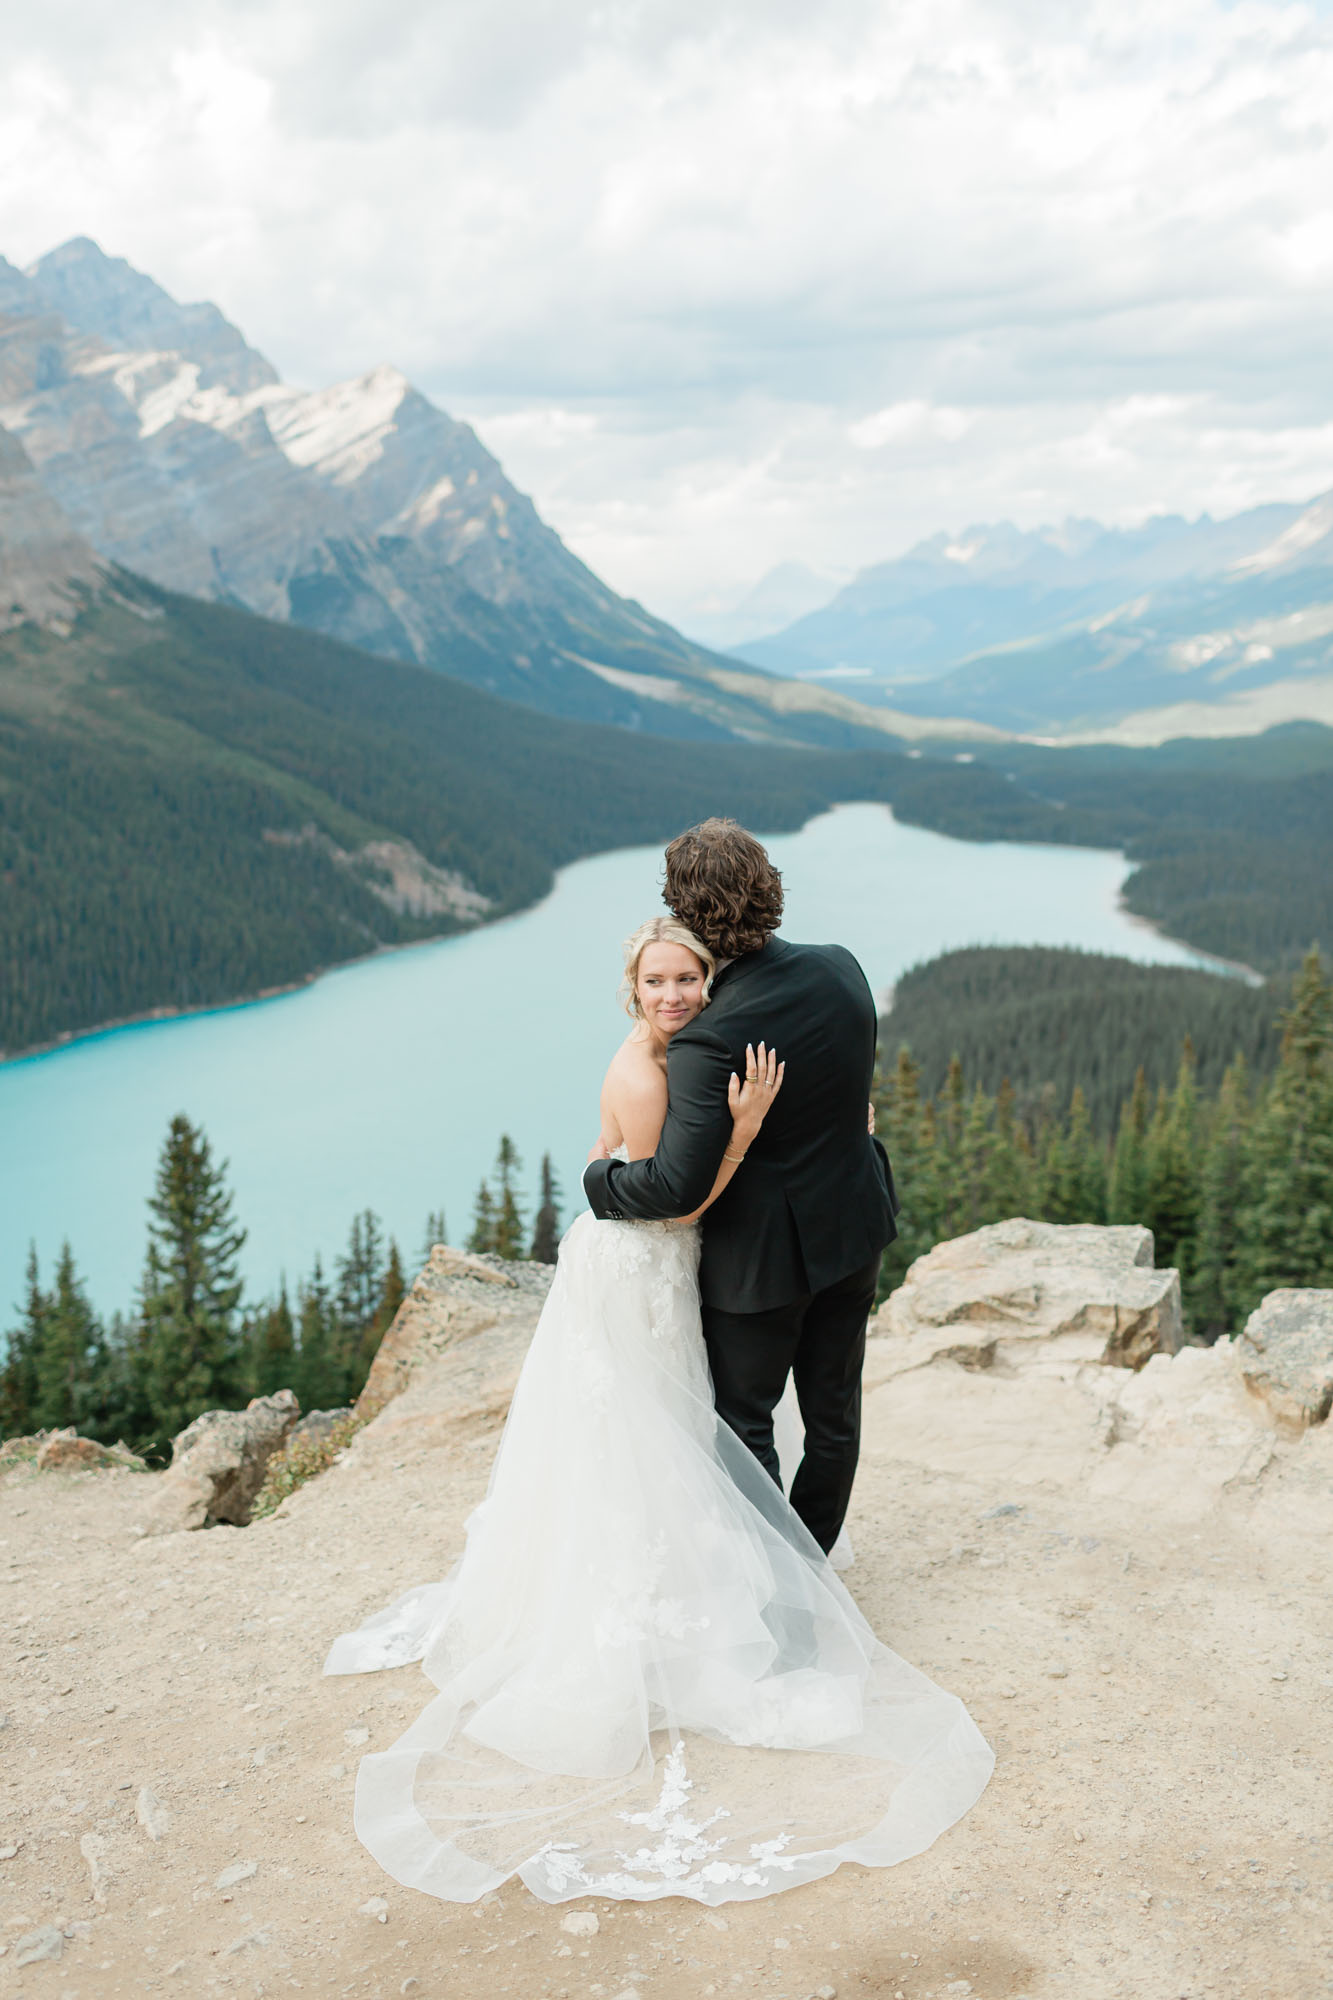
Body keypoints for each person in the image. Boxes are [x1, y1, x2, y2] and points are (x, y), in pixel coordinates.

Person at [323, 897, 992, 1908]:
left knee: (684, 1429)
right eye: (658, 983)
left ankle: (755, 1574)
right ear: (632, 990)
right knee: (661, 1429)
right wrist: (741, 1130)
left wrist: (776, 1117)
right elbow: (672, 1195)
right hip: (643, 1258)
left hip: (681, 1269)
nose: (676, 994)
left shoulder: (703, 1048)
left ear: (709, 982)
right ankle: (739, 1589)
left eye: (690, 980)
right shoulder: (651, 1065)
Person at [585, 817, 897, 1555]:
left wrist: (602, 1179)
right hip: (854, 1230)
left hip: (762, 1265)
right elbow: (847, 1092)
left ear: (686, 912)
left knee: (743, 1426)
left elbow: (671, 1185)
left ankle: (777, 1590)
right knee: (832, 1417)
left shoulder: (709, 1037)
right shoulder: (838, 965)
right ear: (770, 888)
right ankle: (812, 1567)